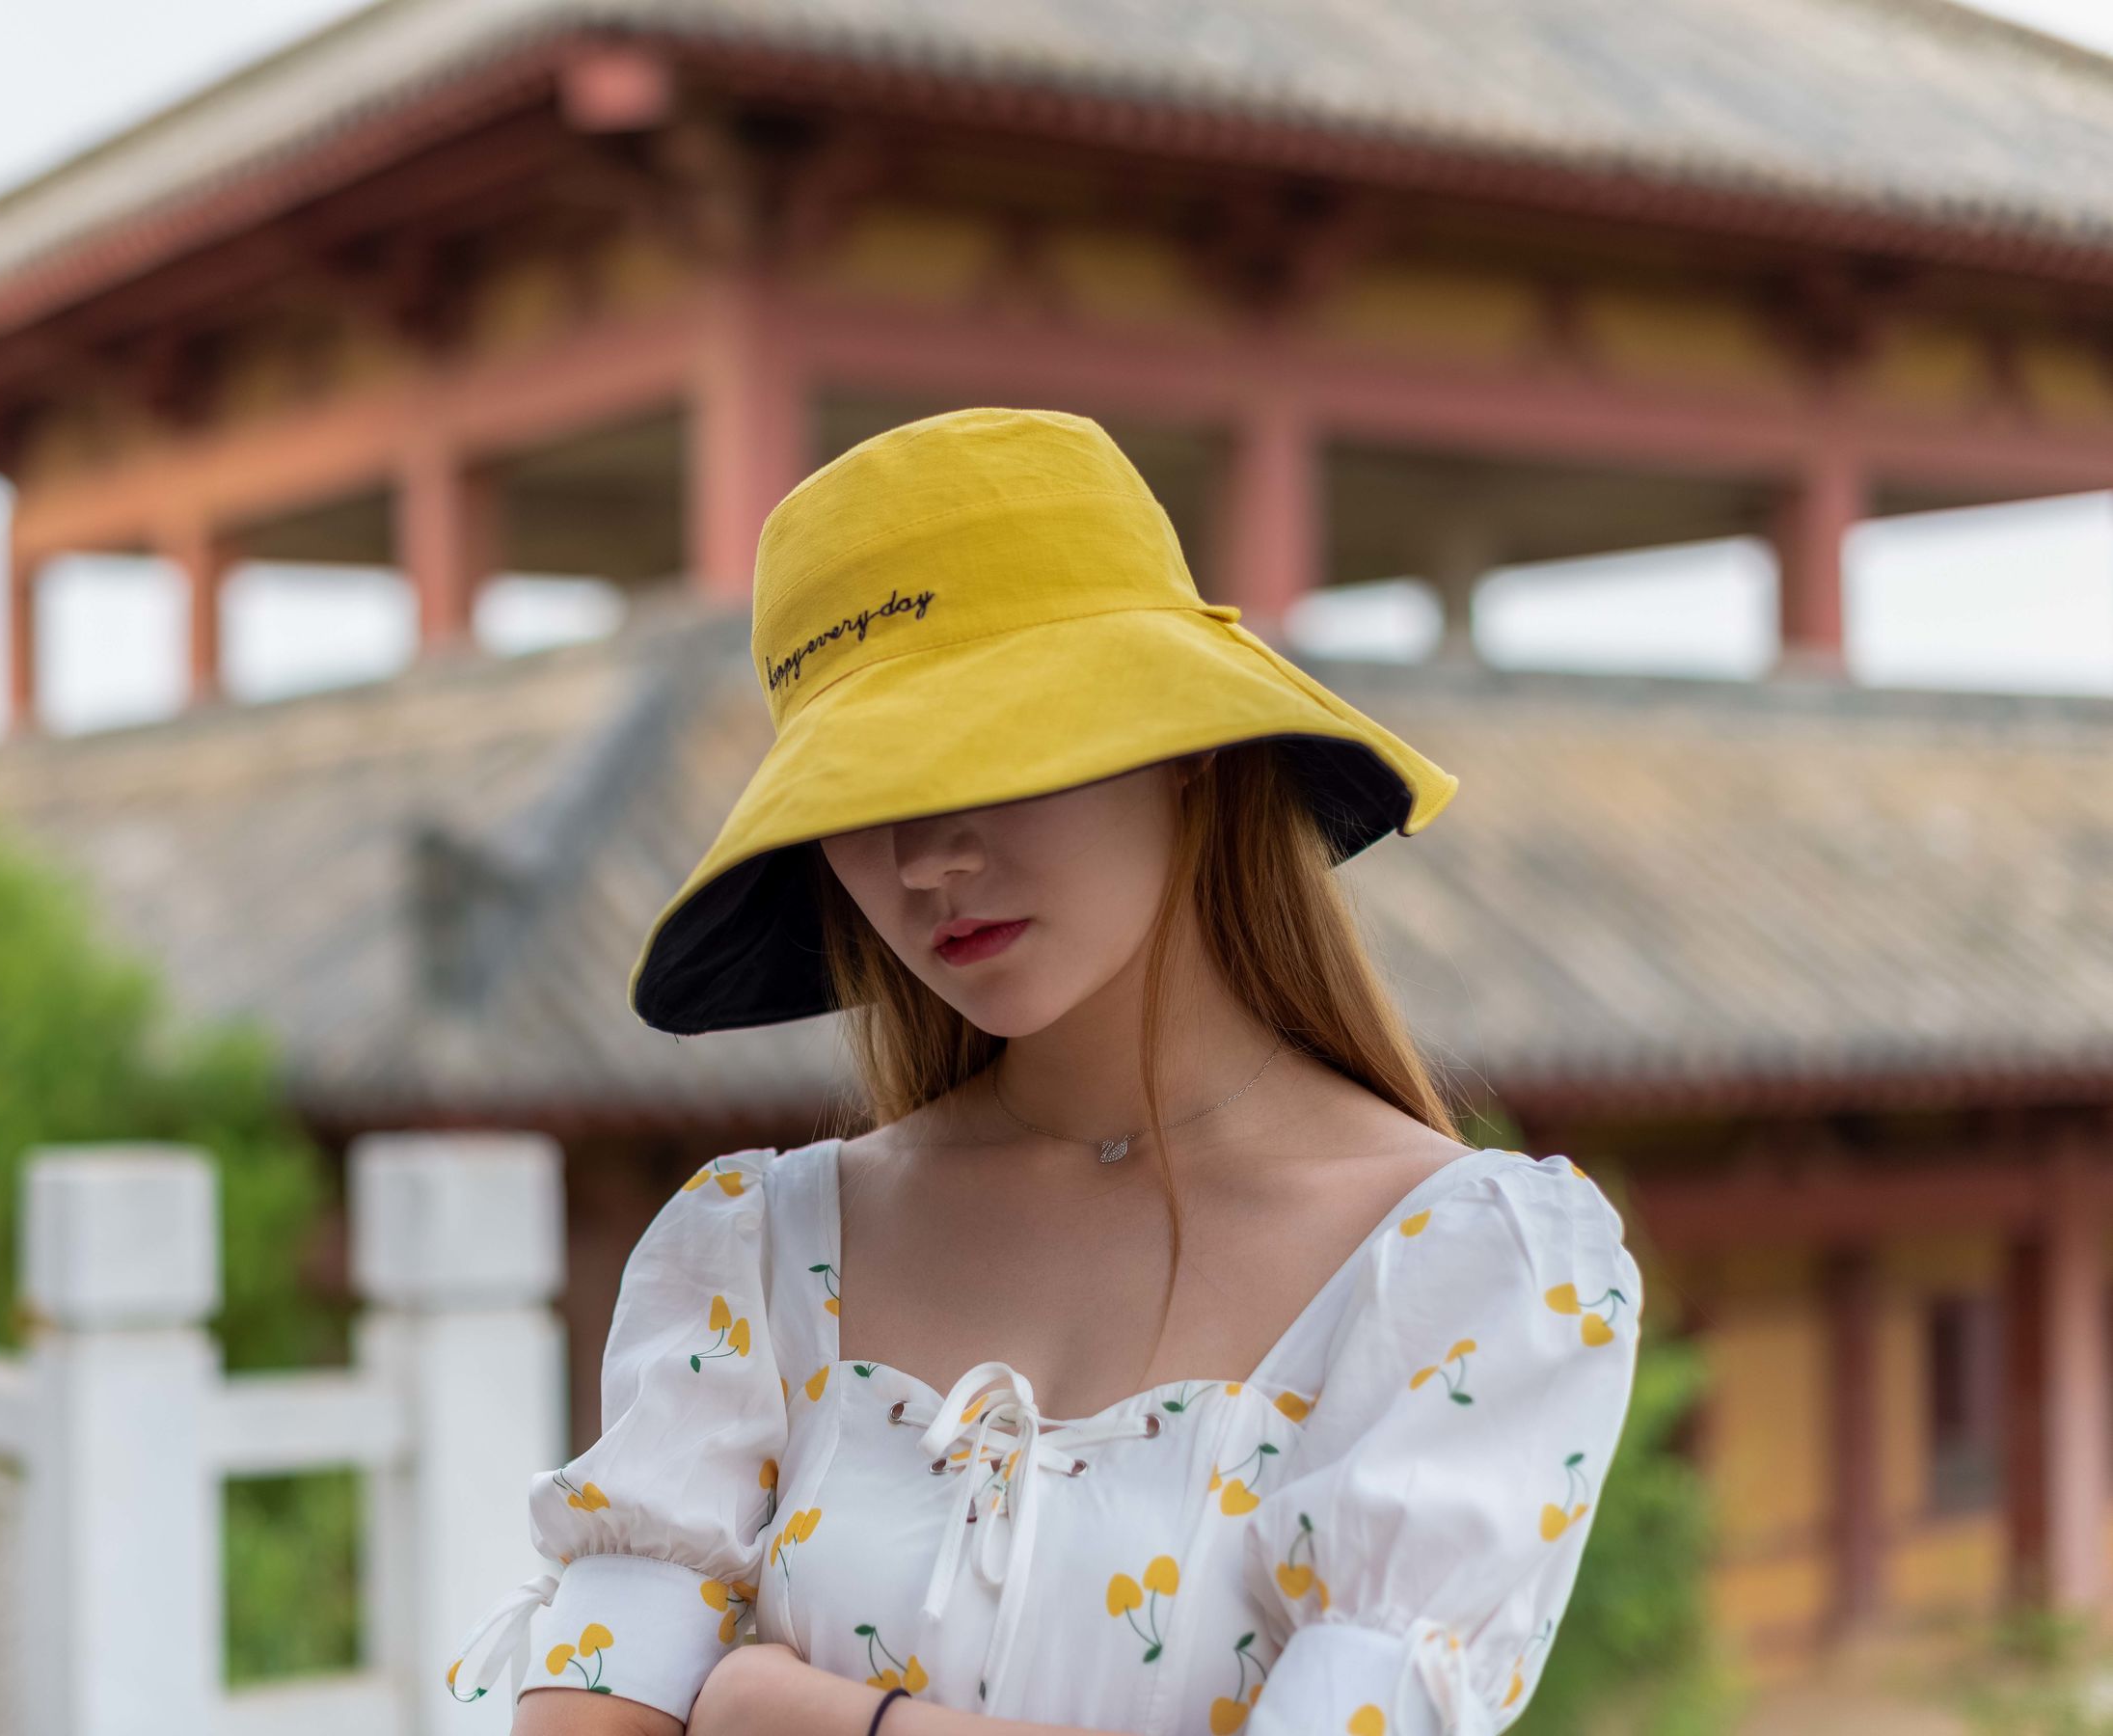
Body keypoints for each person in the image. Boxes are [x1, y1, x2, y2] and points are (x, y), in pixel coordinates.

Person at [444, 407, 1644, 1736]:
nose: (927, 860)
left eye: (993, 751)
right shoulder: (757, 1257)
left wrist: (813, 1719)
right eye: (854, 796)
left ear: (1186, 740)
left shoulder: (1465, 1274)